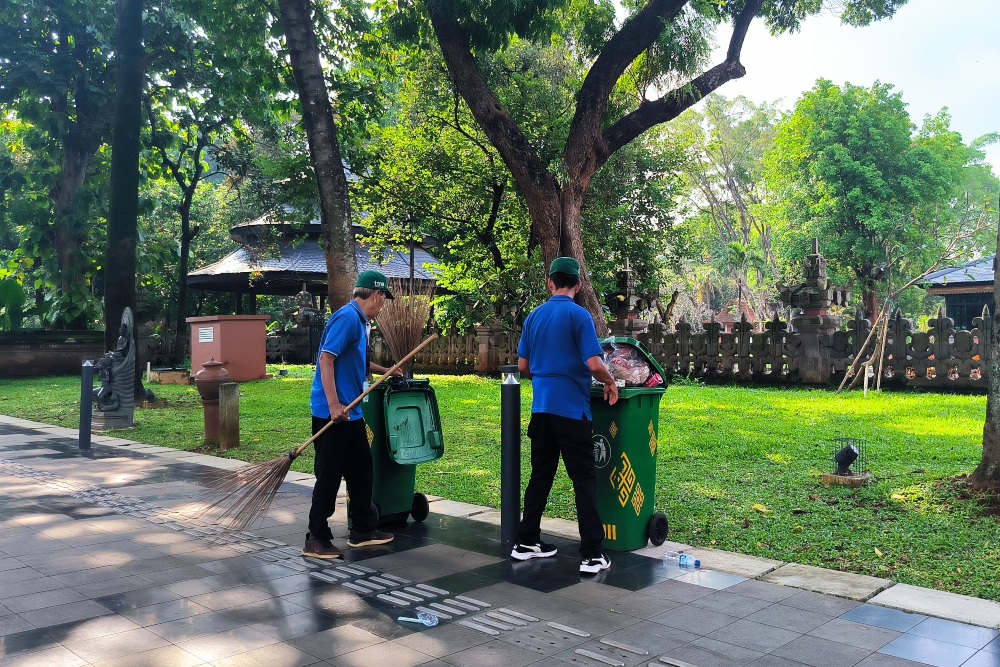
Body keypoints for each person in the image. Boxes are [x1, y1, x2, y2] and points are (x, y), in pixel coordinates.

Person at [512, 257, 619, 574]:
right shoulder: (579, 316)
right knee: (583, 481)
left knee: (540, 477)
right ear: (579, 285)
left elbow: (522, 367)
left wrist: (547, 375)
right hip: (572, 412)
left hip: (541, 411)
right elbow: (595, 365)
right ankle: (591, 555)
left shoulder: (534, 317)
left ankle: (526, 542)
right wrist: (610, 381)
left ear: (550, 283)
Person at [303, 270, 402, 559]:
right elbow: (326, 358)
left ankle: (362, 529)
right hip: (332, 413)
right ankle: (315, 537)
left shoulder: (359, 322)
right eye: (384, 299)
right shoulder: (347, 318)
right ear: (377, 295)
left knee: (361, 471)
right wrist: (334, 405)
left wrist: (388, 371)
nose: (384, 305)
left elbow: (358, 362)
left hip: (352, 413)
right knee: (329, 475)